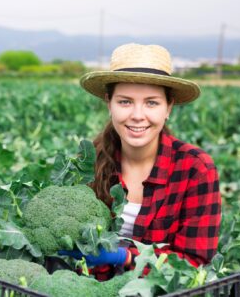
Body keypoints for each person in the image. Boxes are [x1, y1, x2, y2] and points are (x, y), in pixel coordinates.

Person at [60, 43, 221, 279]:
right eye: (125, 101)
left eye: (151, 102)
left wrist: (125, 257)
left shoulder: (195, 168)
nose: (137, 115)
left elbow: (194, 262)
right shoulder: (86, 162)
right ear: (109, 104)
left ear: (169, 108)